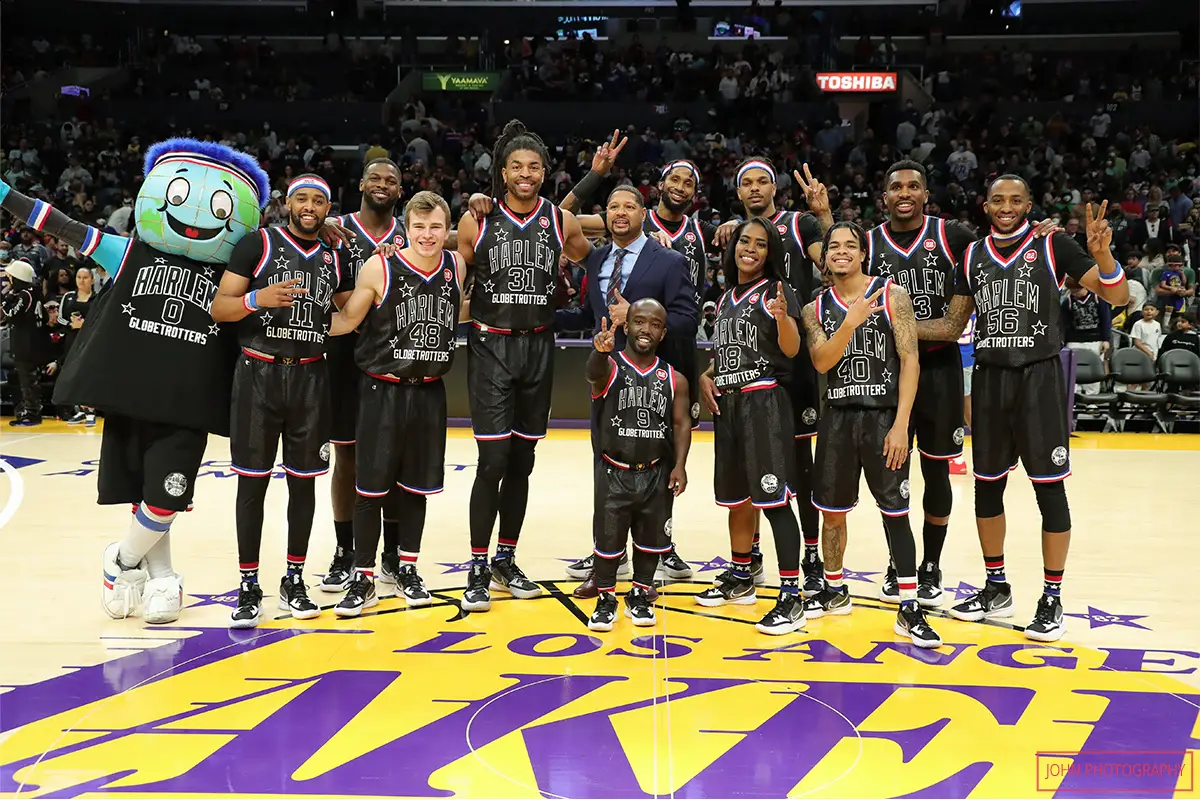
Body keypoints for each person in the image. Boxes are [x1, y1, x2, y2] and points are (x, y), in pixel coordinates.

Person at [1, 140, 271, 625]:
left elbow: (293, 255)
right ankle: (163, 577)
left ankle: (121, 561)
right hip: (131, 392)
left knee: (168, 493)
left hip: (188, 400)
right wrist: (4, 194)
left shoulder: (235, 275)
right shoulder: (127, 253)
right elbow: (60, 224)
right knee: (144, 493)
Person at [921, 177, 1129, 641]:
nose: (1007, 207)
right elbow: (954, 323)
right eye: (998, 199)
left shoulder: (1053, 244)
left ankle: (1051, 597)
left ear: (1029, 205)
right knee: (986, 489)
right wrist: (891, 322)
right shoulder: (973, 255)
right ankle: (997, 586)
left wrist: (1101, 255)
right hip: (991, 379)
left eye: (1016, 200)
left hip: (1037, 378)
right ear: (985, 205)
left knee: (1048, 491)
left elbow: (1116, 296)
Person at [454, 120, 592, 612]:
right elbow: (454, 279)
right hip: (491, 346)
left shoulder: (561, 222)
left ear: (544, 173)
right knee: (492, 460)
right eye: (517, 167)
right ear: (503, 173)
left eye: (534, 167)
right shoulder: (477, 220)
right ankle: (475, 565)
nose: (526, 174)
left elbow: (595, 264)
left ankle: (505, 559)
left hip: (539, 345)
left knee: (522, 462)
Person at [213, 174, 349, 628]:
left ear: (328, 208)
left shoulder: (337, 254)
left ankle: (294, 579)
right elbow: (221, 307)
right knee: (252, 483)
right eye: (302, 199)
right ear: (288, 203)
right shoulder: (258, 244)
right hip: (258, 373)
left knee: (303, 482)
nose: (310, 206)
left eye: (319, 201)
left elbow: (349, 314)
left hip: (312, 375)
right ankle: (248, 583)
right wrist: (258, 297)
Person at [325, 191, 467, 615]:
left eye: (436, 227)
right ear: (406, 228)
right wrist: (289, 326)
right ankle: (363, 576)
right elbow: (348, 319)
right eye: (419, 227)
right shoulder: (380, 266)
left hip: (428, 391)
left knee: (415, 487)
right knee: (370, 486)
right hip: (380, 389)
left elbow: (459, 312)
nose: (427, 235)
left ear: (447, 230)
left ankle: (406, 568)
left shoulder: (455, 266)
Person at [554, 185, 698, 598]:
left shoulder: (669, 260)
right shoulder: (598, 258)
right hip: (608, 380)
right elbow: (589, 314)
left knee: (658, 468)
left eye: (629, 206)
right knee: (606, 467)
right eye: (613, 206)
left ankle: (659, 549)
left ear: (643, 213)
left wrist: (634, 311)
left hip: (655, 381)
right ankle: (608, 555)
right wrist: (540, 315)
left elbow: (686, 319)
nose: (620, 213)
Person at [802, 222, 940, 647]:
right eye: (833, 247)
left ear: (863, 253)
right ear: (824, 257)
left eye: (850, 246)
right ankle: (834, 587)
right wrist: (850, 322)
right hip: (838, 417)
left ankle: (909, 604)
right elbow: (822, 363)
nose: (841, 252)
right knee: (832, 510)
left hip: (883, 418)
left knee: (895, 510)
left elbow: (910, 360)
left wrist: (902, 424)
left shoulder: (892, 294)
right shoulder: (813, 308)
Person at [718, 158, 833, 596]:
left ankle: (808, 557)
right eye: (745, 182)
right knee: (751, 473)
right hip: (749, 368)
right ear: (738, 191)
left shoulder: (799, 224)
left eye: (762, 180)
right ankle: (751, 559)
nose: (754, 188)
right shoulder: (736, 245)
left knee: (798, 471)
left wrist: (823, 214)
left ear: (775, 187)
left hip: (793, 364)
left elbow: (831, 265)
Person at [864, 160, 977, 606]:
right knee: (893, 472)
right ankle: (901, 563)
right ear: (885, 197)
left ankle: (931, 565)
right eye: (896, 187)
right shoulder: (869, 243)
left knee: (936, 472)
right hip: (888, 373)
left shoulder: (953, 236)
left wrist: (1041, 231)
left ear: (925, 194)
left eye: (913, 186)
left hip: (941, 372)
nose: (905, 192)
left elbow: (952, 327)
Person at [697, 217, 807, 635]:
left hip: (763, 401)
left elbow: (792, 348)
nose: (750, 248)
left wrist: (782, 318)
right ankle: (742, 576)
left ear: (769, 254)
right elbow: (730, 350)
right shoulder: (726, 298)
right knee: (738, 499)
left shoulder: (778, 293)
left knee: (773, 499)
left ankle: (791, 595)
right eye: (745, 241)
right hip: (728, 403)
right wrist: (709, 374)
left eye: (761, 244)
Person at [319, 158, 409, 593]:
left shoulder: (411, 236)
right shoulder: (335, 229)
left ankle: (390, 552)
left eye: (391, 180)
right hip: (340, 354)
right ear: (360, 183)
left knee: (390, 459)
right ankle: (345, 550)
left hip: (393, 354)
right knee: (348, 457)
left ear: (400, 191)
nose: (382, 185)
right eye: (375, 177)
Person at [585, 300, 691, 631]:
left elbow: (681, 424)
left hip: (656, 471)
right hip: (614, 470)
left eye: (655, 324)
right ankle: (605, 599)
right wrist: (599, 352)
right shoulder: (611, 366)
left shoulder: (674, 378)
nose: (647, 329)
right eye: (640, 322)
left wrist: (681, 465)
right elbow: (593, 375)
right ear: (627, 326)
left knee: (650, 541)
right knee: (607, 542)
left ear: (663, 332)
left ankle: (640, 594)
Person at [1, 259, 47, 427]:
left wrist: (5, 301)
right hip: (32, 341)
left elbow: (12, 314)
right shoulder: (35, 292)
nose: (10, 280)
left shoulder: (25, 294)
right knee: (28, 379)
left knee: (28, 379)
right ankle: (30, 410)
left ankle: (32, 414)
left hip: (26, 344)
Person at [58, 265, 98, 425]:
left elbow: (101, 319)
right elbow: (60, 318)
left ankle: (91, 411)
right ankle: (79, 410)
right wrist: (71, 325)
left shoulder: (98, 299)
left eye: (85, 277)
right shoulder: (68, 297)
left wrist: (85, 326)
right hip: (72, 341)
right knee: (73, 376)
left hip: (89, 342)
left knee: (88, 376)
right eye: (79, 277)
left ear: (92, 280)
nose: (82, 281)